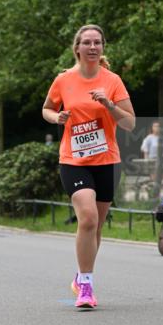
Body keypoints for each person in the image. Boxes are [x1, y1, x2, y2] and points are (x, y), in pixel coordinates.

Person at [42, 24, 135, 309]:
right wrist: (56, 118)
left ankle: (81, 274)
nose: (93, 47)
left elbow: (130, 123)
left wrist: (109, 105)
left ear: (102, 47)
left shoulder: (113, 81)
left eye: (98, 43)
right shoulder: (63, 80)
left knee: (95, 227)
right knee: (88, 218)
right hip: (74, 160)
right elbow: (46, 108)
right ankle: (86, 285)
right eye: (87, 43)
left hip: (106, 160)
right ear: (77, 48)